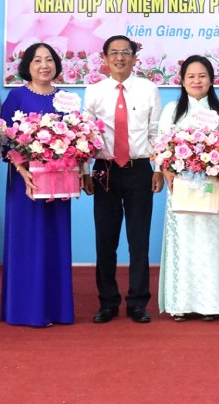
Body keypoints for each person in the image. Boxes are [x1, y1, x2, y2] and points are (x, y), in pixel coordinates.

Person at [82, 35, 163, 324]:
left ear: (134, 58)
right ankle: (107, 302)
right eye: (114, 53)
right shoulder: (94, 91)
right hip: (104, 168)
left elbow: (156, 132)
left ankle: (138, 302)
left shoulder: (148, 89)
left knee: (138, 240)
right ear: (103, 58)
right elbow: (85, 134)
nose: (120, 58)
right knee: (106, 240)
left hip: (140, 168)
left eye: (125, 53)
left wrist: (159, 168)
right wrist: (84, 171)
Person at [0, 42, 76, 327]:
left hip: (59, 183)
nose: (44, 65)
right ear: (27, 66)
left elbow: (77, 138)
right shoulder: (16, 97)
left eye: (49, 60)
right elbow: (4, 140)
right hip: (26, 185)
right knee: (28, 242)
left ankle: (57, 309)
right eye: (37, 60)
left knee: (54, 240)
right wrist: (22, 171)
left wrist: (78, 167)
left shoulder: (65, 98)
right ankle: (25, 310)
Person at [157, 55, 219, 321]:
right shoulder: (172, 109)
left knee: (210, 243)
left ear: (211, 80)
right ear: (182, 80)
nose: (196, 81)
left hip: (211, 187)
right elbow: (160, 145)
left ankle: (211, 304)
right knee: (184, 242)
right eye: (191, 76)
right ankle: (180, 303)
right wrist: (166, 168)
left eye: (202, 76)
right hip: (181, 187)